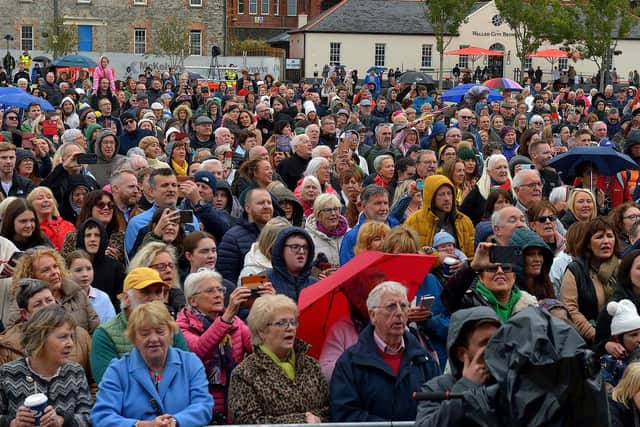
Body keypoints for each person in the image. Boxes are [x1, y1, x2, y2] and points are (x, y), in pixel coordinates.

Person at [330, 281, 440, 421]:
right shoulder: (350, 363)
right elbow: (344, 413)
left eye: (404, 306)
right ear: (372, 315)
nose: (399, 313)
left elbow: (438, 408)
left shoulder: (424, 360)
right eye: (391, 306)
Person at [91, 301, 213, 427]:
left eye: (160, 332)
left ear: (171, 332)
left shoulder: (190, 363)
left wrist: (176, 421)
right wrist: (141, 425)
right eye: (145, 334)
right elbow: (102, 416)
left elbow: (203, 406)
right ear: (133, 338)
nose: (154, 339)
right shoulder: (117, 370)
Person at [229, 294, 328, 423]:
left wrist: (318, 419)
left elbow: (329, 409)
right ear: (262, 331)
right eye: (282, 323)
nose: (291, 328)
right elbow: (248, 421)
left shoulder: (312, 365)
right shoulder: (244, 373)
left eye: (293, 322)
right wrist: (301, 421)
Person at [89, 267, 190, 385]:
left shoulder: (172, 328)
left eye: (158, 292)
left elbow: (186, 373)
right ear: (126, 299)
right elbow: (109, 385)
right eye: (145, 292)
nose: (153, 298)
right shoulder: (104, 335)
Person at [176, 269, 253, 423]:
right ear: (193, 301)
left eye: (220, 290)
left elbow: (258, 347)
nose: (218, 295)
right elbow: (198, 351)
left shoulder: (234, 321)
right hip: (201, 404)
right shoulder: (181, 326)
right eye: (210, 291)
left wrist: (267, 308)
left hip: (234, 400)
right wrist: (226, 318)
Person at [0, 305, 92, 426]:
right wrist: (13, 423)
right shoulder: (8, 373)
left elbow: (89, 417)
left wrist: (62, 421)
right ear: (39, 339)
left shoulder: (75, 372)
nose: (70, 343)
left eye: (71, 336)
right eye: (63, 337)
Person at [415, 306, 501, 426]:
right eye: (485, 343)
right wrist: (466, 386)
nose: (494, 348)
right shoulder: (436, 388)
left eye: (497, 340)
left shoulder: (510, 384)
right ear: (461, 354)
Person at [0, 278, 92, 376]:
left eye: (49, 300)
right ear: (25, 313)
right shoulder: (7, 346)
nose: (47, 307)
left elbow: (95, 383)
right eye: (38, 304)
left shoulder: (81, 336)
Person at [11, 247, 99, 334]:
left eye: (55, 266)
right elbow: (14, 336)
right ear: (32, 276)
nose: (54, 272)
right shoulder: (22, 302)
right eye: (46, 270)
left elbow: (95, 329)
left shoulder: (77, 292)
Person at [441, 243, 538, 319]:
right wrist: (471, 267)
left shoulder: (530, 303)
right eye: (492, 268)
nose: (500, 271)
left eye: (506, 268)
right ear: (481, 277)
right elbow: (447, 298)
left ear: (514, 276)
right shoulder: (469, 302)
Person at [561, 217, 620, 343]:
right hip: (589, 341)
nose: (606, 241)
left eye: (610, 236)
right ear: (588, 243)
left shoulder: (622, 268)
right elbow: (570, 309)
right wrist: (597, 337)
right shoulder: (576, 270)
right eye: (599, 237)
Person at [405, 174, 475, 258]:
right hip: (428, 270)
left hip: (460, 269)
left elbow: (472, 255)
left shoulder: (464, 221)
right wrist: (437, 259)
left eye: (449, 193)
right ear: (431, 197)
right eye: (441, 194)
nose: (447, 198)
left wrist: (465, 265)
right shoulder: (413, 221)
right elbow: (409, 256)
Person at [218, 188, 274, 284]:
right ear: (247, 208)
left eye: (269, 202)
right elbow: (227, 280)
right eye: (261, 203)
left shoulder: (278, 234)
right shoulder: (232, 238)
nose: (266, 206)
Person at [340, 185, 399, 265]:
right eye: (378, 203)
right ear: (364, 206)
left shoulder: (396, 227)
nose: (383, 208)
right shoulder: (352, 236)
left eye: (385, 203)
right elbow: (346, 270)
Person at [264, 227, 317, 302]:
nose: (301, 251)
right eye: (295, 247)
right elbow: (247, 312)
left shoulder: (315, 285)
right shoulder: (264, 282)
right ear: (281, 250)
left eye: (305, 247)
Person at [460, 154, 513, 225]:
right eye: (498, 168)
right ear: (489, 171)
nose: (503, 170)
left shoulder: (513, 191)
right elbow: (463, 214)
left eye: (505, 167)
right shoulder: (478, 191)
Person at [66, 249, 116, 323]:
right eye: (78, 270)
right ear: (67, 272)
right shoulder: (64, 299)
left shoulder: (103, 298)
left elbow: (112, 327)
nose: (85, 274)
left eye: (89, 269)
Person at [599, 299, 640, 390]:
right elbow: (607, 393)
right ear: (617, 338)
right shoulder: (608, 362)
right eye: (634, 335)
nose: (639, 339)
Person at [508, 228, 556, 300]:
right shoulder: (509, 293)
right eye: (530, 254)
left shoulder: (546, 286)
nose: (537, 259)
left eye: (540, 254)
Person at [26, 186, 76, 251]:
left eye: (49, 197)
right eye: (40, 198)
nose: (46, 200)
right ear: (30, 204)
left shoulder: (68, 226)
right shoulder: (30, 228)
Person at [305, 194, 348, 268]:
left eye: (336, 209)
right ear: (318, 216)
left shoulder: (349, 234)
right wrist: (318, 273)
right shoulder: (308, 239)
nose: (333, 213)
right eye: (328, 210)